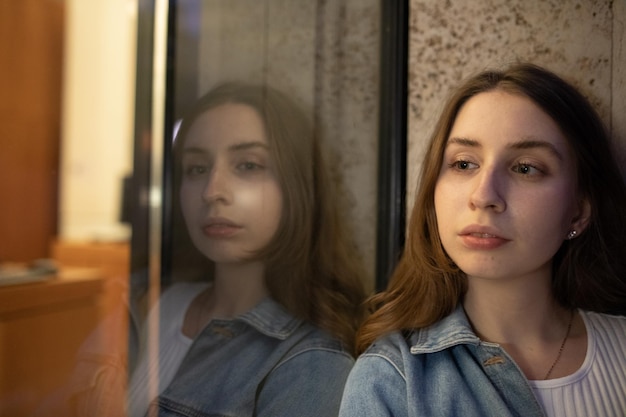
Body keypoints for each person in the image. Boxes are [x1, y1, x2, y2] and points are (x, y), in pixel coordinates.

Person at [339, 63, 626, 417]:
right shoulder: (392, 380)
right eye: (463, 164)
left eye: (524, 168)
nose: (484, 195)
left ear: (578, 212)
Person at [126, 82, 367, 417]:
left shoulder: (312, 360)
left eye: (248, 165)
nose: (212, 191)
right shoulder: (140, 303)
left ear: (296, 185)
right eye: (196, 168)